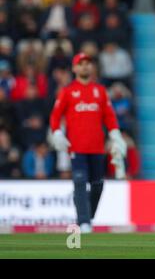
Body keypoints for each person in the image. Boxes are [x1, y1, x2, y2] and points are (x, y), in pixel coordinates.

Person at [49, 52, 127, 233]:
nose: (85, 66)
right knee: (79, 181)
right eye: (81, 63)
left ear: (91, 67)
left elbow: (109, 115)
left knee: (98, 184)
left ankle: (88, 216)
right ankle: (83, 221)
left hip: (97, 147)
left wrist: (115, 134)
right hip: (77, 147)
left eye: (88, 63)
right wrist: (57, 133)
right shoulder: (67, 91)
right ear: (75, 68)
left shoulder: (99, 91)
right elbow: (55, 116)